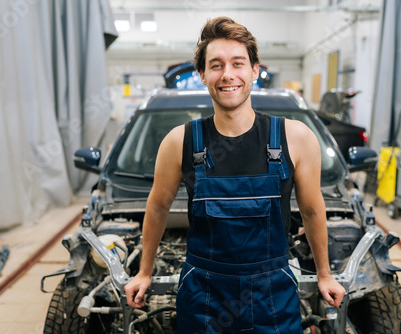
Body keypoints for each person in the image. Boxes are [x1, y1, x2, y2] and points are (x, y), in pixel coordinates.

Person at [124, 16, 345, 333]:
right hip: (203, 297)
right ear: (202, 75)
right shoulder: (179, 142)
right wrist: (145, 272)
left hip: (273, 294)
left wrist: (324, 274)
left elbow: (311, 209)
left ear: (255, 70)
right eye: (216, 65)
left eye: (238, 63)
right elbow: (157, 207)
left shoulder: (294, 138)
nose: (228, 75)